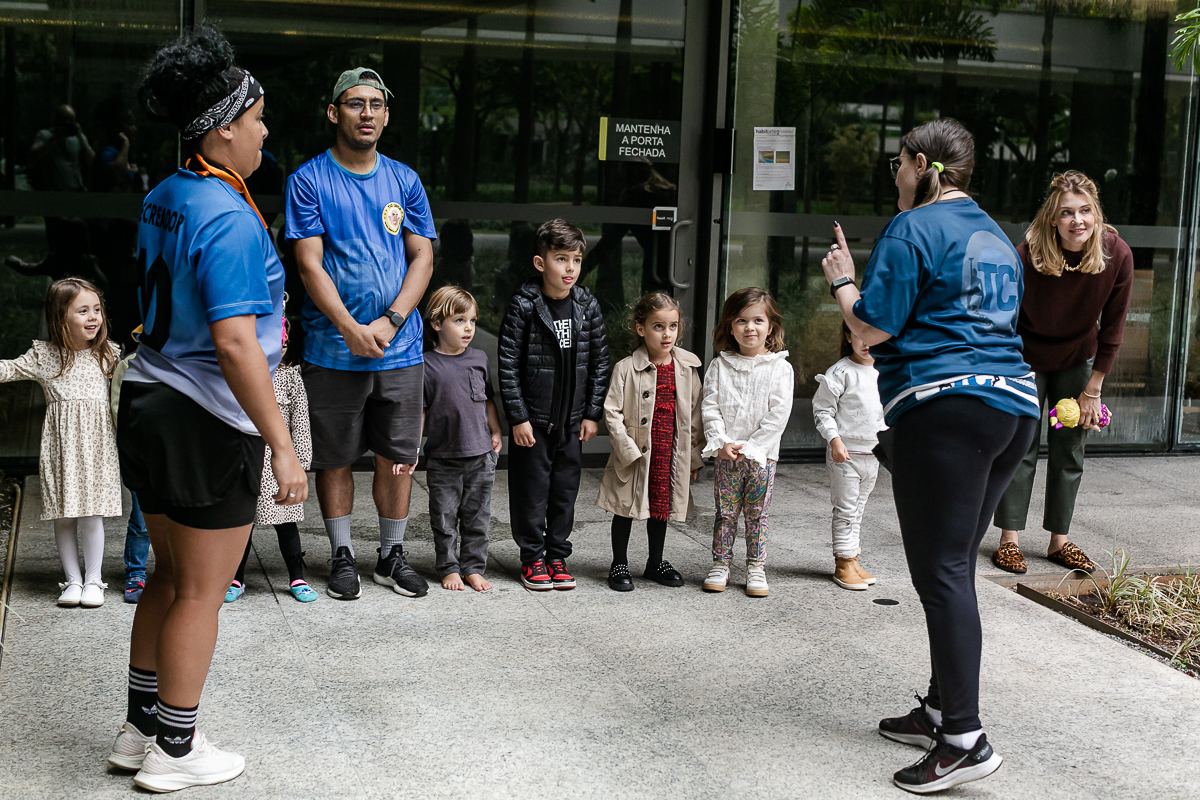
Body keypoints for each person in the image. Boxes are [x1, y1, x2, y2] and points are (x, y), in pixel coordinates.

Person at [105, 26, 306, 792]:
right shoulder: (225, 215)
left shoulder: (167, 194)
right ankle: (177, 752)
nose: (263, 132)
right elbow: (235, 345)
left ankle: (139, 731)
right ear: (224, 127)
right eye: (257, 119)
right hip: (204, 417)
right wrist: (282, 445)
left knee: (165, 575)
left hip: (150, 400)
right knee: (200, 590)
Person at [820, 117, 1038, 793]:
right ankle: (943, 707)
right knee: (955, 569)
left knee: (942, 572)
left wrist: (841, 281)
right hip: (1013, 410)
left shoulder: (913, 229)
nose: (896, 177)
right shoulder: (996, 236)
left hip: (945, 410)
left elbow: (873, 326)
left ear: (920, 163)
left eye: (899, 165)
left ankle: (965, 739)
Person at [285, 67, 436, 601]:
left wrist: (392, 320)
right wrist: (349, 328)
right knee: (336, 457)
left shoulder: (405, 179)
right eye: (355, 103)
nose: (366, 113)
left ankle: (391, 556)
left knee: (398, 456)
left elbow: (422, 256)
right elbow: (309, 265)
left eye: (376, 104)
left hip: (401, 350)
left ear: (387, 115)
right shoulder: (308, 180)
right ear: (334, 112)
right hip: (333, 350)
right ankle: (342, 555)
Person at [992, 171, 1134, 574]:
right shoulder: (1028, 253)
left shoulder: (1116, 254)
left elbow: (1114, 327)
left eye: (1086, 211)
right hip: (1026, 356)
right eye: (1067, 212)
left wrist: (1094, 388)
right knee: (1019, 447)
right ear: (1053, 218)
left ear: (1096, 214)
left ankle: (1059, 540)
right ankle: (1009, 539)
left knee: (1070, 447)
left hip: (1077, 356)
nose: (1078, 221)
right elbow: (1005, 316)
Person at [498, 218, 610, 590]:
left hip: (571, 423)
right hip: (534, 423)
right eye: (561, 259)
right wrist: (518, 417)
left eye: (576, 260)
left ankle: (557, 556)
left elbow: (599, 362)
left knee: (564, 492)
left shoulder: (586, 306)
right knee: (531, 494)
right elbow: (509, 364)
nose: (570, 268)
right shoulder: (524, 306)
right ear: (540, 263)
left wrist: (592, 413)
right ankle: (532, 558)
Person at [0, 278, 121, 607]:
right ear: (59, 317)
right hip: (61, 447)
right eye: (83, 311)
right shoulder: (45, 356)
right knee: (64, 515)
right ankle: (72, 581)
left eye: (97, 309)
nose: (93, 317)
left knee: (91, 515)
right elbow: (8, 370)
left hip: (97, 448)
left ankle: (94, 580)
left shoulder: (108, 355)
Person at [597, 291, 703, 592]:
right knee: (625, 505)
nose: (667, 333)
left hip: (670, 451)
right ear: (641, 328)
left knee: (661, 505)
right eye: (658, 326)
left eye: (672, 326)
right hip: (637, 452)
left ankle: (655, 561)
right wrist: (627, 450)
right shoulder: (626, 368)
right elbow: (612, 411)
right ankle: (619, 562)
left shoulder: (687, 368)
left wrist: (694, 456)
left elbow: (696, 413)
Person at [699, 287, 794, 598]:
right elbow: (710, 405)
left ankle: (756, 565)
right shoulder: (720, 365)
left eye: (757, 320)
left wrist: (754, 448)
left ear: (771, 327)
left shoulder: (780, 367)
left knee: (757, 513)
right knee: (725, 512)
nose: (749, 328)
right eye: (741, 320)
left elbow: (778, 413)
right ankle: (721, 563)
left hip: (762, 458)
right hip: (727, 455)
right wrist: (721, 441)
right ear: (729, 325)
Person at [225, 319, 317, 603]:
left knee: (286, 519)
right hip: (246, 459)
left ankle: (296, 575)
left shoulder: (290, 377)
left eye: (282, 344)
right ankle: (235, 577)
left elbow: (300, 421)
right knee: (243, 522)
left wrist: (300, 459)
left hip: (280, 461)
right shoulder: (240, 376)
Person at [417, 285, 501, 592]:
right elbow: (422, 411)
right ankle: (449, 567)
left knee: (478, 517)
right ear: (437, 324)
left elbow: (487, 399)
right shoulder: (426, 364)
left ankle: (473, 567)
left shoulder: (478, 358)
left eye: (472, 321)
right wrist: (414, 448)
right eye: (459, 321)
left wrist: (495, 429)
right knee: (444, 517)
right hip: (444, 457)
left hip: (480, 454)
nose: (469, 328)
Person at [812, 320, 884, 590]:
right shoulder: (841, 372)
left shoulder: (885, 371)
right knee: (846, 509)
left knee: (859, 509)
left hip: (873, 454)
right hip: (846, 455)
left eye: (873, 335)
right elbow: (822, 410)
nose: (866, 342)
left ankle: (852, 558)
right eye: (859, 335)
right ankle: (842, 563)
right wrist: (834, 439)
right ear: (847, 336)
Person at [7, 105, 101, 282]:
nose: (68, 125)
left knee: (79, 240)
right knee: (58, 242)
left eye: (71, 122)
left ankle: (79, 276)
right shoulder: (45, 136)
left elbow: (93, 162)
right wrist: (56, 139)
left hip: (76, 194)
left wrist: (80, 136)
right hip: (54, 196)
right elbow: (33, 157)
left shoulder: (78, 138)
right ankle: (59, 278)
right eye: (64, 122)